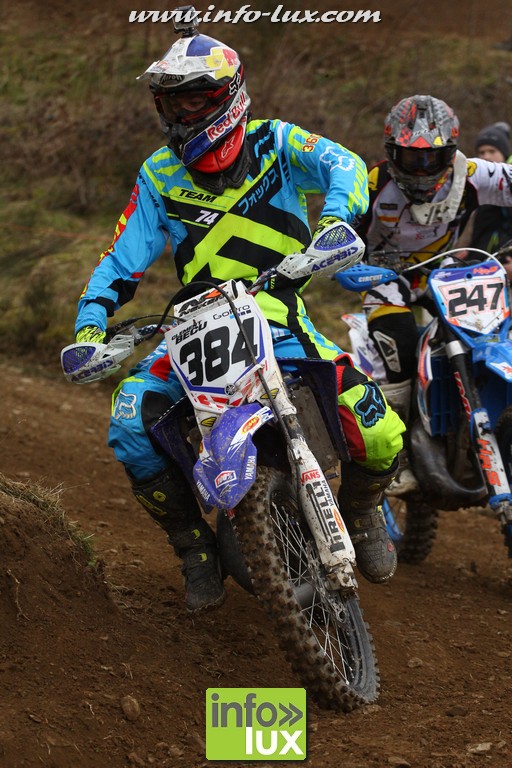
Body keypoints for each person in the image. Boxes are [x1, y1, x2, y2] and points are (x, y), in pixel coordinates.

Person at [72, 10, 404, 612]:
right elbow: (122, 257)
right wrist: (91, 326)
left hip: (277, 313)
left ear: (226, 95)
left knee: (377, 427)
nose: (181, 115)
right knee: (129, 421)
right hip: (193, 326)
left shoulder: (276, 143)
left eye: (193, 100)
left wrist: (334, 224)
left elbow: (346, 165)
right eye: (171, 104)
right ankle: (192, 546)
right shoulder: (159, 173)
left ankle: (361, 512)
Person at [356, 94, 512, 496]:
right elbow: (340, 227)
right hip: (383, 277)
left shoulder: (473, 174)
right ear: (393, 152)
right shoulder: (372, 183)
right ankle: (400, 456)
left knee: (486, 330)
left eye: (432, 157)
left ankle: (470, 418)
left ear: (450, 151)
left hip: (441, 272)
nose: (423, 168)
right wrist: (345, 262)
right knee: (401, 351)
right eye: (412, 157)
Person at [455, 122, 512, 275]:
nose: (486, 156)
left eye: (492, 151)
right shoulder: (475, 187)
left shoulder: (508, 189)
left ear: (504, 153)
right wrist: (468, 252)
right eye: (481, 152)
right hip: (483, 268)